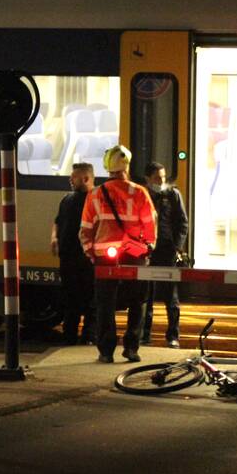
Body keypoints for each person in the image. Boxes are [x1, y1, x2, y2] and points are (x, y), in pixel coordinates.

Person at [79, 145, 157, 363]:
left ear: (107, 167)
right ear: (127, 167)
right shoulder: (139, 192)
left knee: (105, 304)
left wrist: (91, 253)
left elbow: (85, 229)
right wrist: (147, 249)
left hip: (104, 257)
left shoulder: (96, 194)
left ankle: (106, 351)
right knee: (137, 302)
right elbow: (150, 225)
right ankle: (131, 347)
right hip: (134, 255)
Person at [142, 162, 188, 349]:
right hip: (147, 251)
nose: (161, 181)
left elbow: (182, 223)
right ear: (148, 179)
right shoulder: (142, 195)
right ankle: (144, 335)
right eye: (157, 178)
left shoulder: (173, 195)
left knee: (171, 297)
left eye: (162, 177)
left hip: (167, 251)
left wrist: (177, 247)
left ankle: (173, 336)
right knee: (146, 296)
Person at [51, 163, 97, 345]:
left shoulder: (96, 199)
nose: (70, 179)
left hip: (88, 257)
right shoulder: (67, 199)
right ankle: (69, 335)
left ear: (86, 178)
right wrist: (54, 237)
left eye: (74, 177)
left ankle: (89, 335)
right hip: (68, 257)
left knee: (91, 298)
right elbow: (57, 221)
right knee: (70, 298)